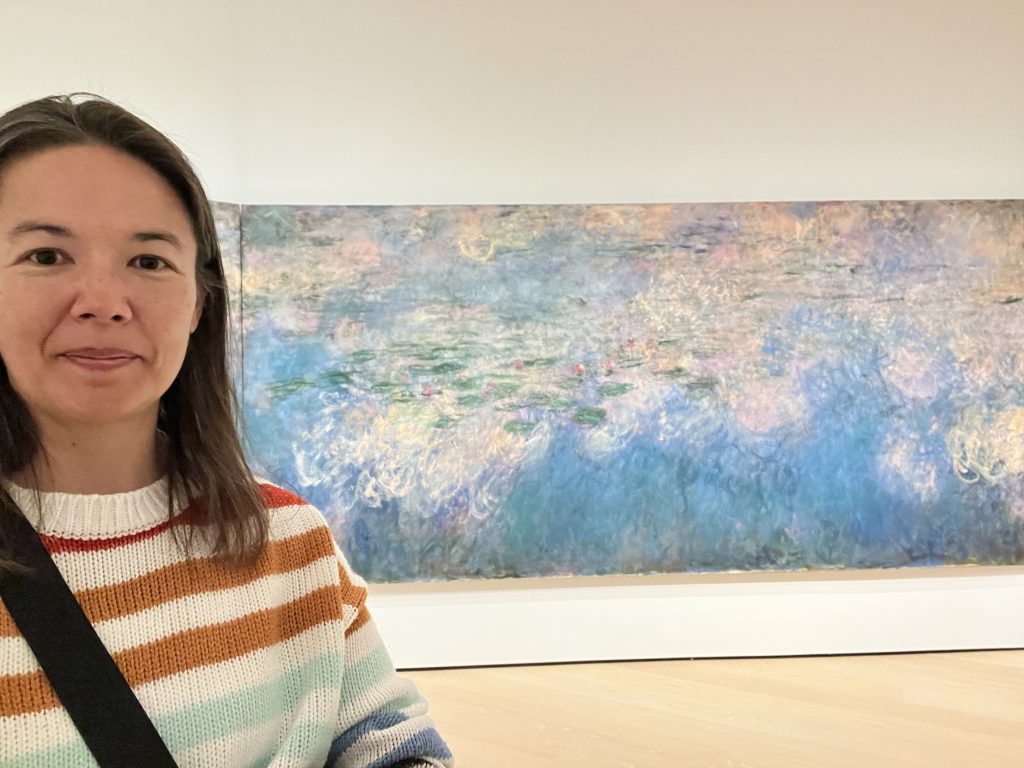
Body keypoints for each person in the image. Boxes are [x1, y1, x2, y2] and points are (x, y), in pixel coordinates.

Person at [0, 93, 454, 767]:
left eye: (149, 261)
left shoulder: (288, 543)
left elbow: (392, 745)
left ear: (197, 303)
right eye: (46, 256)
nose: (103, 302)